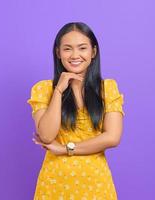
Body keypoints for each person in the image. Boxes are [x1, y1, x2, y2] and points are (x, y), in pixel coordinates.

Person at [27, 22, 125, 200]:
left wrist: (65, 149)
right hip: (55, 184)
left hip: (96, 184)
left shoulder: (107, 88)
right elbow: (47, 136)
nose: (75, 55)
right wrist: (58, 90)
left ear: (93, 52)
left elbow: (112, 137)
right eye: (67, 49)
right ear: (58, 53)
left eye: (82, 48)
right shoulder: (43, 89)